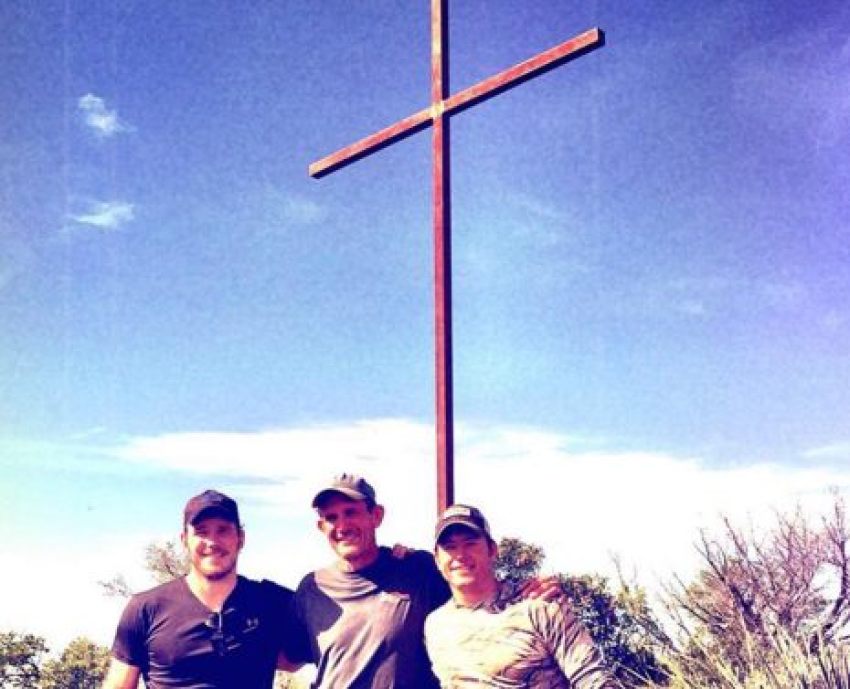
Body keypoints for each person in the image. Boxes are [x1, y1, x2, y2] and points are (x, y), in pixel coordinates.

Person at [292, 473, 564, 689]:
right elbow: (286, 657)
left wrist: (529, 592)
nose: (342, 525)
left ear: (376, 516)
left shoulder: (418, 568)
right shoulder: (312, 589)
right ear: (321, 527)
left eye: (351, 512)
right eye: (331, 517)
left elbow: (478, 587)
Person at [102, 489, 305, 689]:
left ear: (240, 538)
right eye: (201, 531)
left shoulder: (271, 602)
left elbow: (296, 660)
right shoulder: (145, 608)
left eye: (223, 530)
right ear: (184, 540)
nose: (212, 542)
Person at [424, 504, 622, 689]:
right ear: (437, 559)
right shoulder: (435, 626)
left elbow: (593, 678)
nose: (460, 555)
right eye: (450, 547)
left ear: (492, 550)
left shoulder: (538, 605)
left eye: (470, 543)